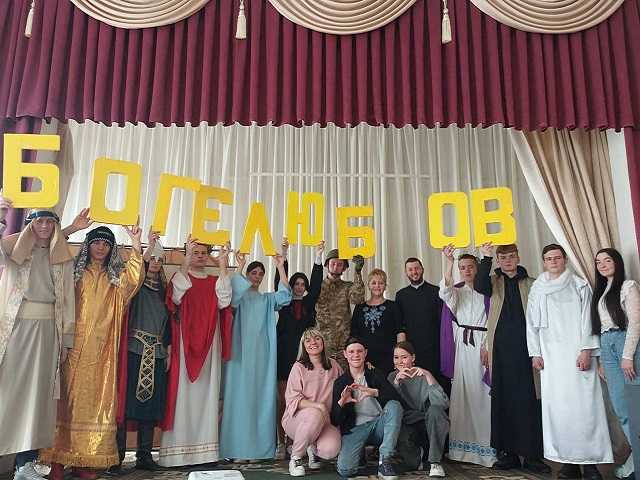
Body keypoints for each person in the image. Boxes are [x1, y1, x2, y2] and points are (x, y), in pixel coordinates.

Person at [41, 224, 144, 480]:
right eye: (97, 242)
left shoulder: (115, 280)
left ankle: (83, 461)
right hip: (71, 348)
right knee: (64, 402)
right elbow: (53, 258)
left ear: (111, 249)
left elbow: (134, 279)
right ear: (88, 245)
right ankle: (57, 461)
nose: (101, 248)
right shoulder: (74, 273)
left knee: (94, 404)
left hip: (102, 353)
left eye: (106, 244)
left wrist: (136, 243)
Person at [0, 201, 78, 480]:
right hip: (14, 330)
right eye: (39, 221)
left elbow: (68, 300)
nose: (44, 226)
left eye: (49, 222)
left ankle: (25, 464)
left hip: (47, 333)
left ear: (55, 225)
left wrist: (66, 340)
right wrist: (1, 216)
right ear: (30, 223)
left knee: (38, 398)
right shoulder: (13, 247)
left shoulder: (63, 256)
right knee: (8, 394)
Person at [527, 244, 612, 479]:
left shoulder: (579, 285)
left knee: (586, 409)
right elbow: (531, 323)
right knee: (558, 410)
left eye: (557, 257)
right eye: (548, 258)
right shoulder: (538, 288)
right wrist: (535, 352)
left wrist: (586, 350)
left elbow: (588, 320)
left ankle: (591, 463)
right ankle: (567, 462)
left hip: (577, 356)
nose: (553, 261)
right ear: (544, 262)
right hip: (551, 358)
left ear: (565, 259)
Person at [474, 242, 548, 473]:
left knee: (529, 401)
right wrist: (486, 257)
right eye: (503, 257)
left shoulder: (532, 283)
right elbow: (478, 284)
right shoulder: (493, 281)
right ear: (498, 260)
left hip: (527, 351)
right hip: (501, 351)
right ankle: (508, 454)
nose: (507, 261)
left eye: (511, 256)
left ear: (518, 257)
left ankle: (533, 455)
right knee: (503, 400)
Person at [158, 238, 233, 467]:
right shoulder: (181, 277)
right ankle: (177, 454)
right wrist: (186, 258)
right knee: (182, 394)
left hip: (209, 343)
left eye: (203, 253)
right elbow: (175, 296)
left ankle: (205, 453)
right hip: (184, 342)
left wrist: (223, 264)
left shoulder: (214, 281)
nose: (200, 256)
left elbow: (224, 301)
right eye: (195, 252)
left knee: (207, 394)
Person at [109, 229, 172, 473]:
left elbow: (170, 324)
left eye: (159, 259)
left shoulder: (165, 291)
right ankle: (117, 457)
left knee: (150, 407)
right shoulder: (134, 289)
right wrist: (146, 247)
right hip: (133, 351)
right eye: (151, 259)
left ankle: (144, 456)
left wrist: (167, 349)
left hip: (156, 353)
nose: (155, 263)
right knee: (125, 406)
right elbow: (133, 276)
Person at [220, 253, 292, 460]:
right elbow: (232, 294)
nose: (257, 277)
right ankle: (235, 449)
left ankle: (258, 450)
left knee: (261, 400)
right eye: (254, 273)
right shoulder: (239, 298)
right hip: (239, 356)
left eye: (261, 274)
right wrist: (240, 266)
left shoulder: (266, 300)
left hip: (262, 357)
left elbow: (285, 296)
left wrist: (280, 266)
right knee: (238, 399)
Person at [438, 245, 496, 467]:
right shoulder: (457, 292)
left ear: (477, 268)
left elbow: (493, 320)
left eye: (470, 266)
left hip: (483, 345)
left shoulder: (488, 291)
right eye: (462, 267)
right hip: (463, 348)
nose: (467, 271)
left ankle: (487, 449)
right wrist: (449, 262)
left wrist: (487, 345)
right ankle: (462, 451)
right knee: (463, 394)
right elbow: (445, 290)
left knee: (484, 396)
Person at [591, 248, 640, 480]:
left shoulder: (628, 286)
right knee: (621, 409)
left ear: (617, 262)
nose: (602, 265)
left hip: (625, 343)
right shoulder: (600, 291)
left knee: (636, 407)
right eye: (598, 262)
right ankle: (636, 458)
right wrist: (602, 359)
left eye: (607, 260)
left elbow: (636, 322)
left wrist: (627, 355)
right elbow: (601, 326)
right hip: (607, 344)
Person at [275, 239, 324, 458]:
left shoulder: (308, 303)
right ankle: (281, 441)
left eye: (303, 284)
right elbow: (279, 282)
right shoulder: (283, 302)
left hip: (303, 358)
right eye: (296, 283)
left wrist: (318, 257)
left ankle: (297, 440)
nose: (299, 287)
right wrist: (284, 256)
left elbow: (317, 284)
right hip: (283, 355)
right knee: (282, 400)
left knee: (301, 399)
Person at [330, 337, 404, 480]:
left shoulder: (375, 374)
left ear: (365, 353)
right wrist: (341, 402)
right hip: (355, 429)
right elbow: (334, 420)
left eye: (359, 351)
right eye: (351, 352)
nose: (356, 355)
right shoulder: (340, 382)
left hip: (378, 425)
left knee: (394, 406)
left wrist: (374, 392)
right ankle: (360, 453)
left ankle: (385, 460)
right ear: (345, 354)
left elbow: (397, 400)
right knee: (346, 470)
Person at [282, 328, 343, 477]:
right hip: (296, 420)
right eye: (308, 341)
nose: (313, 343)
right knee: (315, 414)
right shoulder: (298, 367)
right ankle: (296, 459)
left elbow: (344, 386)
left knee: (330, 450)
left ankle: (313, 449)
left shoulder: (334, 365)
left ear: (323, 342)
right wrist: (319, 406)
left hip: (325, 421)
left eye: (317, 339)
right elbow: (293, 399)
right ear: (303, 346)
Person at [389, 341, 450, 478]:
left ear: (413, 358)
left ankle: (435, 462)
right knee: (412, 463)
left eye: (404, 357)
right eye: (396, 357)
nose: (400, 361)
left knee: (435, 411)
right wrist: (396, 384)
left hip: (427, 422)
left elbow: (442, 404)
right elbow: (390, 407)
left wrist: (428, 376)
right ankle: (419, 455)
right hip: (406, 423)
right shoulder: (392, 377)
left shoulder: (424, 375)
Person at [395, 257, 447, 392]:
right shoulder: (401, 295)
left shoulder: (436, 291)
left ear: (422, 269)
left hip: (434, 348)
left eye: (417, 268)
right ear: (406, 272)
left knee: (438, 383)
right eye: (410, 270)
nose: (414, 272)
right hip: (412, 349)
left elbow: (443, 322)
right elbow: (400, 325)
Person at [315, 249, 365, 368]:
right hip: (322, 346)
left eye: (339, 264)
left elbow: (357, 299)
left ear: (344, 268)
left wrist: (358, 272)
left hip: (343, 347)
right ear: (327, 265)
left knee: (344, 379)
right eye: (333, 263)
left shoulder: (347, 287)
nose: (335, 267)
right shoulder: (317, 286)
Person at [350, 268, 405, 374]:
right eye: (374, 283)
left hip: (389, 358)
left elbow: (400, 332)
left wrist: (400, 358)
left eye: (381, 283)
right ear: (368, 285)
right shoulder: (359, 308)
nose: (377, 286)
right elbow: (354, 335)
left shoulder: (393, 306)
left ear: (385, 285)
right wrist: (360, 358)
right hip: (365, 358)